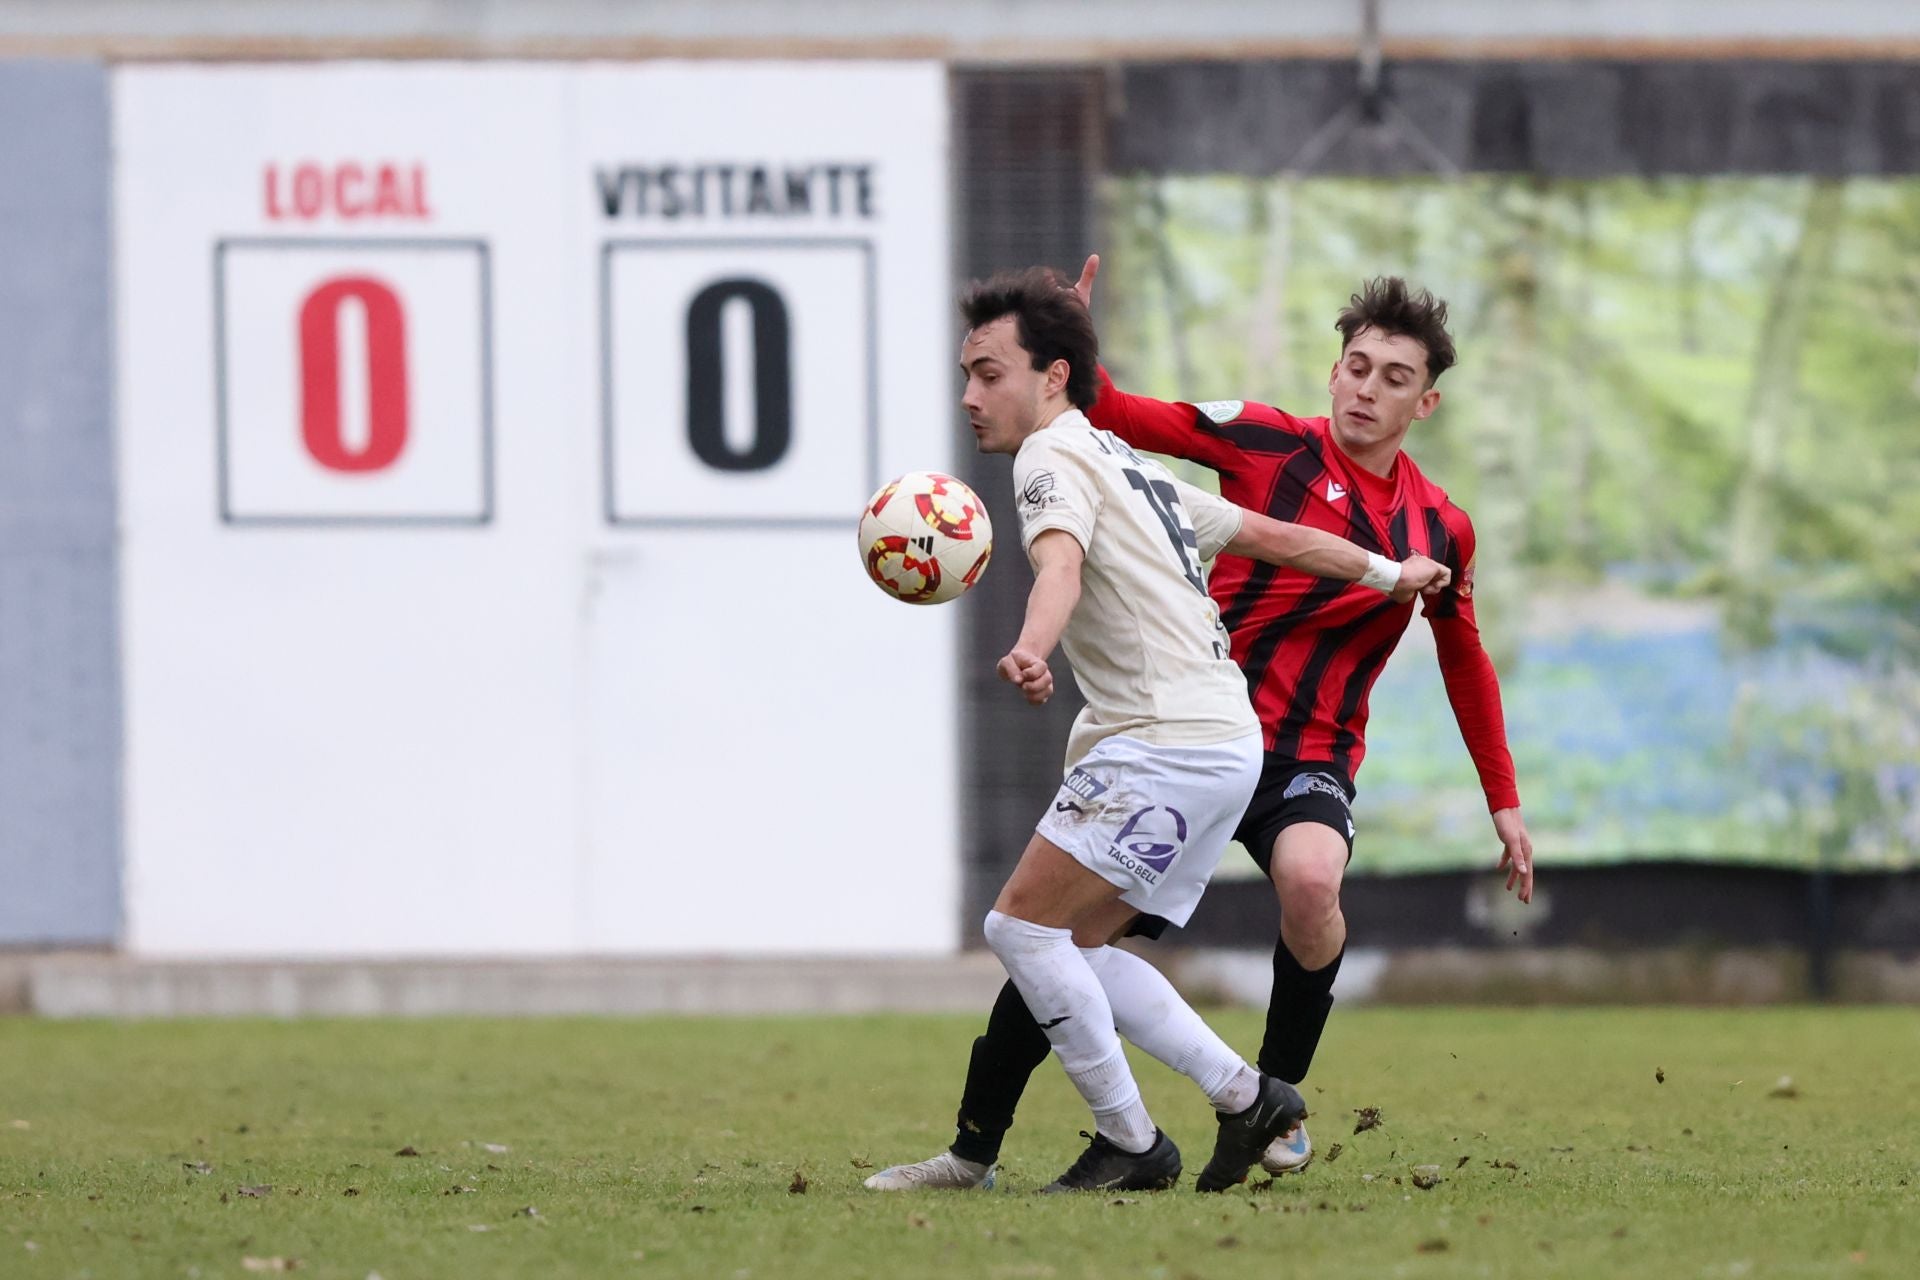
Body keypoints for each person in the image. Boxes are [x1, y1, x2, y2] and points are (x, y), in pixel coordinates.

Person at [867, 259, 1532, 1193]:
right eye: (1357, 366)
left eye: (1394, 377)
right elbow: (1143, 424)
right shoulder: (1263, 440)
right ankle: (1025, 1137)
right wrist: (1075, 361)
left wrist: (1502, 801)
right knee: (1058, 943)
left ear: (1425, 402)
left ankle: (1239, 1106)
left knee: (1294, 882)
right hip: (1210, 723)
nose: (1367, 389)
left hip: (1266, 746)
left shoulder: (1441, 526)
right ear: (1334, 369)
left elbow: (1463, 654)